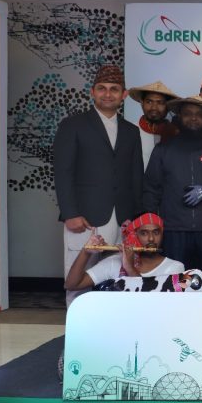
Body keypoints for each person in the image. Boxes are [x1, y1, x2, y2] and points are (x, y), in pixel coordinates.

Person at [53, 64, 143, 305]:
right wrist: (70, 213)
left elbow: (136, 176)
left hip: (123, 219)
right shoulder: (73, 125)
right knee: (78, 278)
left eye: (114, 89)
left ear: (124, 95)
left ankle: (112, 325)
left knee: (118, 275)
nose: (108, 94)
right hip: (85, 218)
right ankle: (77, 325)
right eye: (102, 88)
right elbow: (63, 172)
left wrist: (135, 218)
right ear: (92, 92)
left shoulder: (131, 131)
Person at [143, 95, 202, 292]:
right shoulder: (163, 149)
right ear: (179, 117)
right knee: (173, 285)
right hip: (174, 230)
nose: (193, 118)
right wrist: (150, 224)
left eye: (199, 115)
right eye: (188, 114)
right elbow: (151, 189)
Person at [64, 213, 185, 291]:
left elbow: (150, 303)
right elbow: (71, 285)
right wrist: (86, 252)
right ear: (134, 236)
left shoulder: (175, 267)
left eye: (156, 232)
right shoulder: (114, 262)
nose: (151, 239)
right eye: (144, 233)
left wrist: (130, 268)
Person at [128, 80, 178, 168]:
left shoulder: (176, 133)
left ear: (168, 106)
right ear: (142, 103)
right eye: (149, 102)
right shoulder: (130, 131)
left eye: (160, 103)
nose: (154, 108)